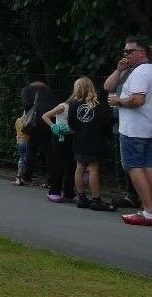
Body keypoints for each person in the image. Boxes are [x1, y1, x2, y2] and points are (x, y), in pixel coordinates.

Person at [106, 38, 152, 226]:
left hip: (134, 129)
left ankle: (148, 211)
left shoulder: (140, 73)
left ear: (142, 52)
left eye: (129, 51)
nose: (125, 55)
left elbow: (138, 100)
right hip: (151, 127)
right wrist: (120, 69)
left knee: (133, 166)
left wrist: (119, 101)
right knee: (148, 165)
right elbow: (108, 86)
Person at [43, 77, 115, 211]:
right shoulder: (97, 104)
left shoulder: (74, 104)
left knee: (79, 167)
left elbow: (71, 122)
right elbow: (105, 122)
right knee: (93, 168)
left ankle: (81, 197)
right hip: (93, 140)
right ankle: (96, 199)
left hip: (78, 140)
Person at [15, 81, 57, 187]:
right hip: (49, 122)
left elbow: (27, 105)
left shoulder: (27, 90)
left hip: (36, 124)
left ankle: (27, 176)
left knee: (31, 150)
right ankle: (52, 180)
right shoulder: (48, 91)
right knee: (50, 153)